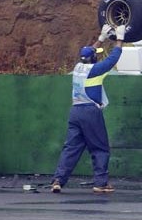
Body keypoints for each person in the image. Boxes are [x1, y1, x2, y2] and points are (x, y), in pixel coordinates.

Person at [51, 24, 125, 194]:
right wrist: (119, 39)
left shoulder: (78, 67)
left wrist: (101, 38)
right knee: (100, 148)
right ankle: (100, 183)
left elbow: (89, 52)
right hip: (90, 112)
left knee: (71, 148)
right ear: (94, 59)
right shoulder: (96, 70)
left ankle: (58, 180)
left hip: (75, 112)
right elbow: (113, 58)